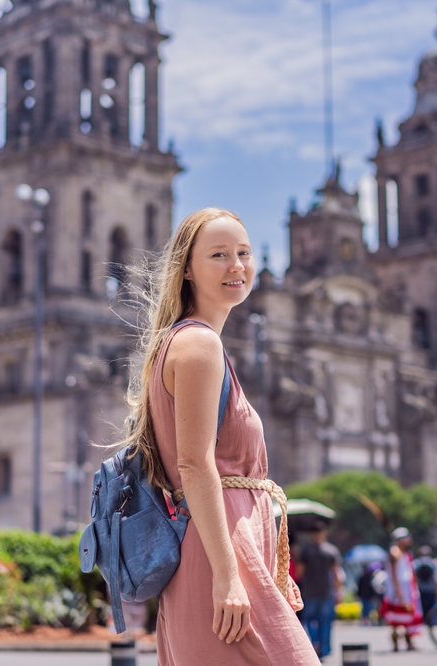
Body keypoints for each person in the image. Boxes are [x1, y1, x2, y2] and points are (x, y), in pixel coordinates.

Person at [127, 208, 319, 665]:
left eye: (243, 253)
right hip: (220, 558)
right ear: (187, 269)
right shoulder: (198, 345)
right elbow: (194, 464)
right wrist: (228, 576)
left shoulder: (190, 342)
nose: (237, 265)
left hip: (221, 553)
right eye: (219, 254)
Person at [296, 522, 342, 658]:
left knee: (310, 620)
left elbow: (299, 572)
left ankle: (314, 643)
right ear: (324, 534)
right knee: (325, 621)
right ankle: (325, 647)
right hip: (326, 591)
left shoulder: (305, 551)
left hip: (310, 592)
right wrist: (338, 591)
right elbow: (337, 574)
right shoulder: (331, 550)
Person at [382, 527, 422, 652]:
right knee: (395, 620)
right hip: (397, 591)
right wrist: (399, 591)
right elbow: (394, 574)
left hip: (408, 590)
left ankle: (409, 641)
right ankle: (395, 643)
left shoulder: (406, 553)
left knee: (407, 618)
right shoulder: (395, 552)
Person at [413, 545, 437, 617]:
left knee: (420, 610)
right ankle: (429, 623)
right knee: (430, 610)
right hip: (430, 589)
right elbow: (436, 577)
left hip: (419, 589)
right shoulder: (433, 563)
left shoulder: (416, 563)